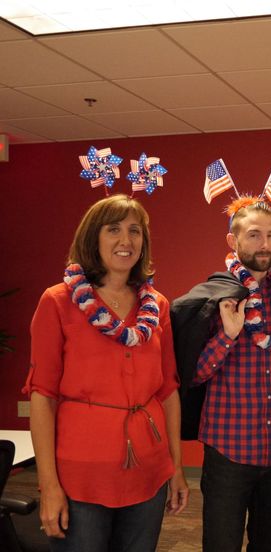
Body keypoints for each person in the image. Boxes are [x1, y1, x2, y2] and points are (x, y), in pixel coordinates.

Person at [25, 194, 189, 551]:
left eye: (135, 231)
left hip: (150, 471)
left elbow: (169, 392)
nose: (125, 241)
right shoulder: (57, 302)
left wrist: (176, 466)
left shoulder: (156, 305)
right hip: (81, 477)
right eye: (113, 229)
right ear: (92, 238)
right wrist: (49, 486)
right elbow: (43, 397)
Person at [184, 196, 271, 552]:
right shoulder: (214, 296)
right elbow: (195, 374)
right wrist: (228, 334)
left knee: (269, 544)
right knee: (221, 544)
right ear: (232, 241)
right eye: (254, 235)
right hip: (228, 451)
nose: (264, 244)